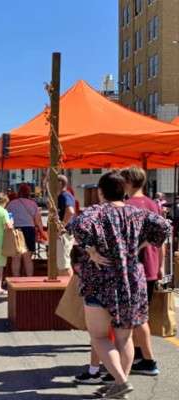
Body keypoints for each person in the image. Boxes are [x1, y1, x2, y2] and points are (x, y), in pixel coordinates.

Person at [68, 171, 171, 399]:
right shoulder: (137, 213)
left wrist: (91, 250)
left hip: (100, 279)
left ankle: (121, 382)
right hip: (131, 279)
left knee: (99, 336)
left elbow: (75, 226)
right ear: (124, 191)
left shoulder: (95, 212)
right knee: (124, 338)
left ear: (101, 191)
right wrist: (140, 244)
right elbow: (164, 227)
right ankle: (119, 386)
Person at [120, 167, 162, 376]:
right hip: (152, 264)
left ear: (127, 182)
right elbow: (163, 236)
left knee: (134, 317)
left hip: (133, 266)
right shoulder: (154, 204)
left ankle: (146, 359)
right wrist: (161, 265)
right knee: (141, 315)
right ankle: (139, 355)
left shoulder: (127, 206)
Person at [6, 183, 41, 277]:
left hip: (16, 229)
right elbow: (38, 220)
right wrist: (41, 231)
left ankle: (16, 279)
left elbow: (8, 218)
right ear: (29, 193)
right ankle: (29, 279)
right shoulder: (33, 204)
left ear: (19, 192)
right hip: (29, 229)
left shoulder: (11, 204)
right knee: (27, 258)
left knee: (16, 258)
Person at [57, 175, 76, 277]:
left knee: (64, 264)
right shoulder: (64, 196)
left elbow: (70, 211)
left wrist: (61, 227)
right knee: (61, 264)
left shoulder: (64, 196)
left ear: (60, 183)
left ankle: (70, 289)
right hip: (64, 233)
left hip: (64, 233)